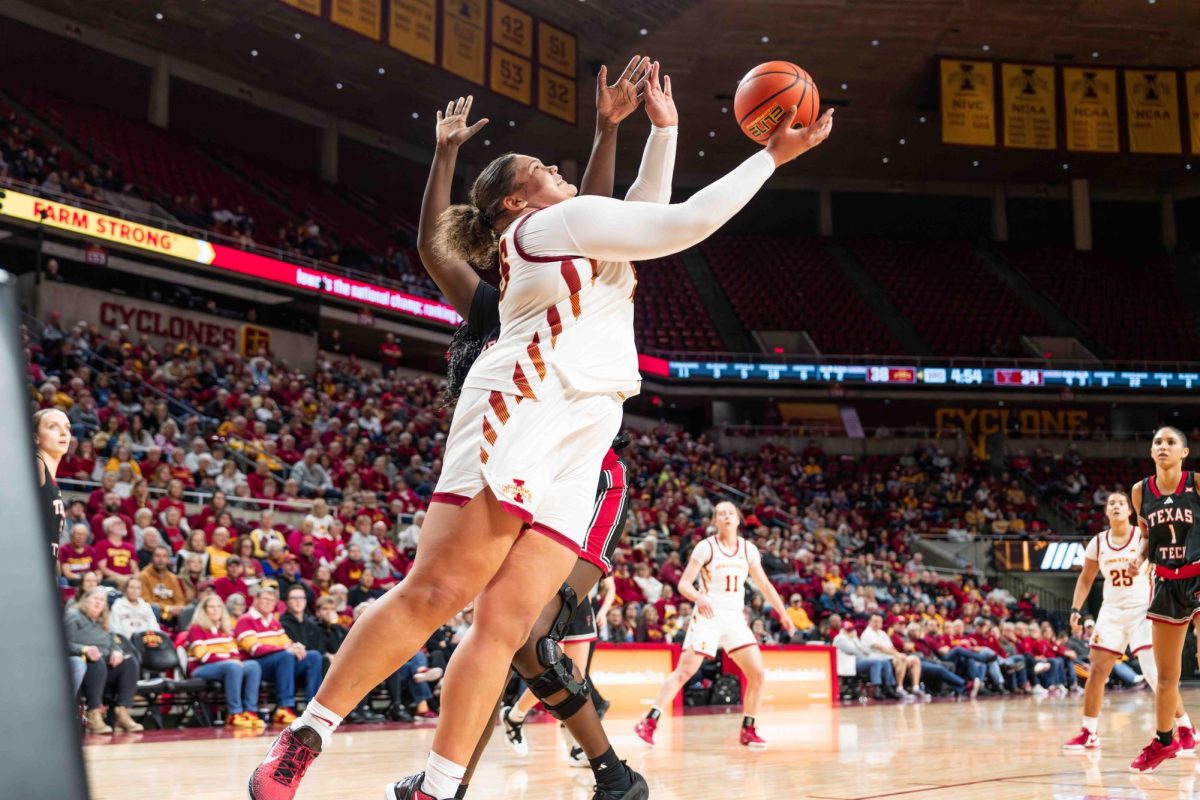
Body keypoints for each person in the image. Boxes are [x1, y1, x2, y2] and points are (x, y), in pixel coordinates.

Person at [248, 62, 833, 800]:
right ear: (518, 199)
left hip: (584, 435)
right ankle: (307, 735)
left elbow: (646, 211)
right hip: (522, 409)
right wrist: (771, 157)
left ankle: (436, 786)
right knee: (436, 590)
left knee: (505, 626)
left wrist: (667, 129)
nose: (559, 171)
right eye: (543, 168)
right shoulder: (544, 226)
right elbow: (682, 224)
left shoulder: (586, 230)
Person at [635, 501, 798, 748]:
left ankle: (748, 729)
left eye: (730, 513)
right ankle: (649, 721)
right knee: (685, 672)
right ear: (715, 521)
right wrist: (699, 597)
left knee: (758, 674)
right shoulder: (706, 547)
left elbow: (765, 585)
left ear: (738, 518)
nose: (726, 516)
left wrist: (783, 614)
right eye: (721, 513)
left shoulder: (748, 549)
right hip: (708, 615)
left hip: (734, 617)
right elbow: (684, 584)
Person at [1063, 490, 1193, 752]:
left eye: (1121, 503)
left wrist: (1145, 566)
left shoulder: (1142, 537)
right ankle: (1089, 731)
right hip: (1111, 611)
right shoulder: (1098, 542)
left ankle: (1186, 728)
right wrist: (1076, 609)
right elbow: (1086, 578)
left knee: (1154, 674)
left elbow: (1165, 562)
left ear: (1130, 511)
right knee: (1096, 671)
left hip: (1143, 610)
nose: (1116, 506)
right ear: (1106, 511)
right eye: (1111, 503)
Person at [1128, 427, 1200, 772]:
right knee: (1167, 676)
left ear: (1184, 452)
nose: (1163, 446)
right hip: (1166, 583)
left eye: (1171, 442)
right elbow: (1148, 536)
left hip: (1198, 576)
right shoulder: (1140, 492)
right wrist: (1139, 558)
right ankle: (1164, 741)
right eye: (1157, 441)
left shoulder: (1196, 484)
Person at [235, 584, 323, 726]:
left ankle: (312, 708)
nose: (268, 602)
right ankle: (284, 707)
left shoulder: (273, 621)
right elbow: (254, 649)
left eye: (272, 600)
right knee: (286, 656)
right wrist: (285, 649)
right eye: (265, 599)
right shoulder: (246, 620)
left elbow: (285, 642)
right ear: (255, 600)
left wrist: (295, 646)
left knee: (313, 656)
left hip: (280, 664)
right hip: (258, 666)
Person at [65, 587, 144, 734]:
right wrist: (84, 649)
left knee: (129, 662)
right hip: (86, 663)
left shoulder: (105, 622)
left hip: (106, 667)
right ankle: (93, 713)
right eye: (95, 598)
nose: (98, 603)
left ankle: (123, 711)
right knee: (97, 660)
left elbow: (114, 644)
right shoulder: (73, 616)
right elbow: (62, 643)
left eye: (102, 600)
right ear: (85, 600)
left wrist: (117, 652)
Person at [186, 593, 266, 729]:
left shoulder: (225, 630)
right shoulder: (196, 629)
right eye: (211, 607)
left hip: (226, 666)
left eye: (218, 606)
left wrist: (232, 660)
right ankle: (234, 713)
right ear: (204, 610)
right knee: (233, 666)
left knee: (253, 666)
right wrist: (229, 660)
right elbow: (202, 656)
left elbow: (235, 653)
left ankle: (250, 711)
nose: (216, 610)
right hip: (200, 668)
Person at [34, 408, 70, 558]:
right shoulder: (37, 464)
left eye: (67, 427)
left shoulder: (52, 482)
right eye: (53, 426)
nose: (63, 432)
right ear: (35, 437)